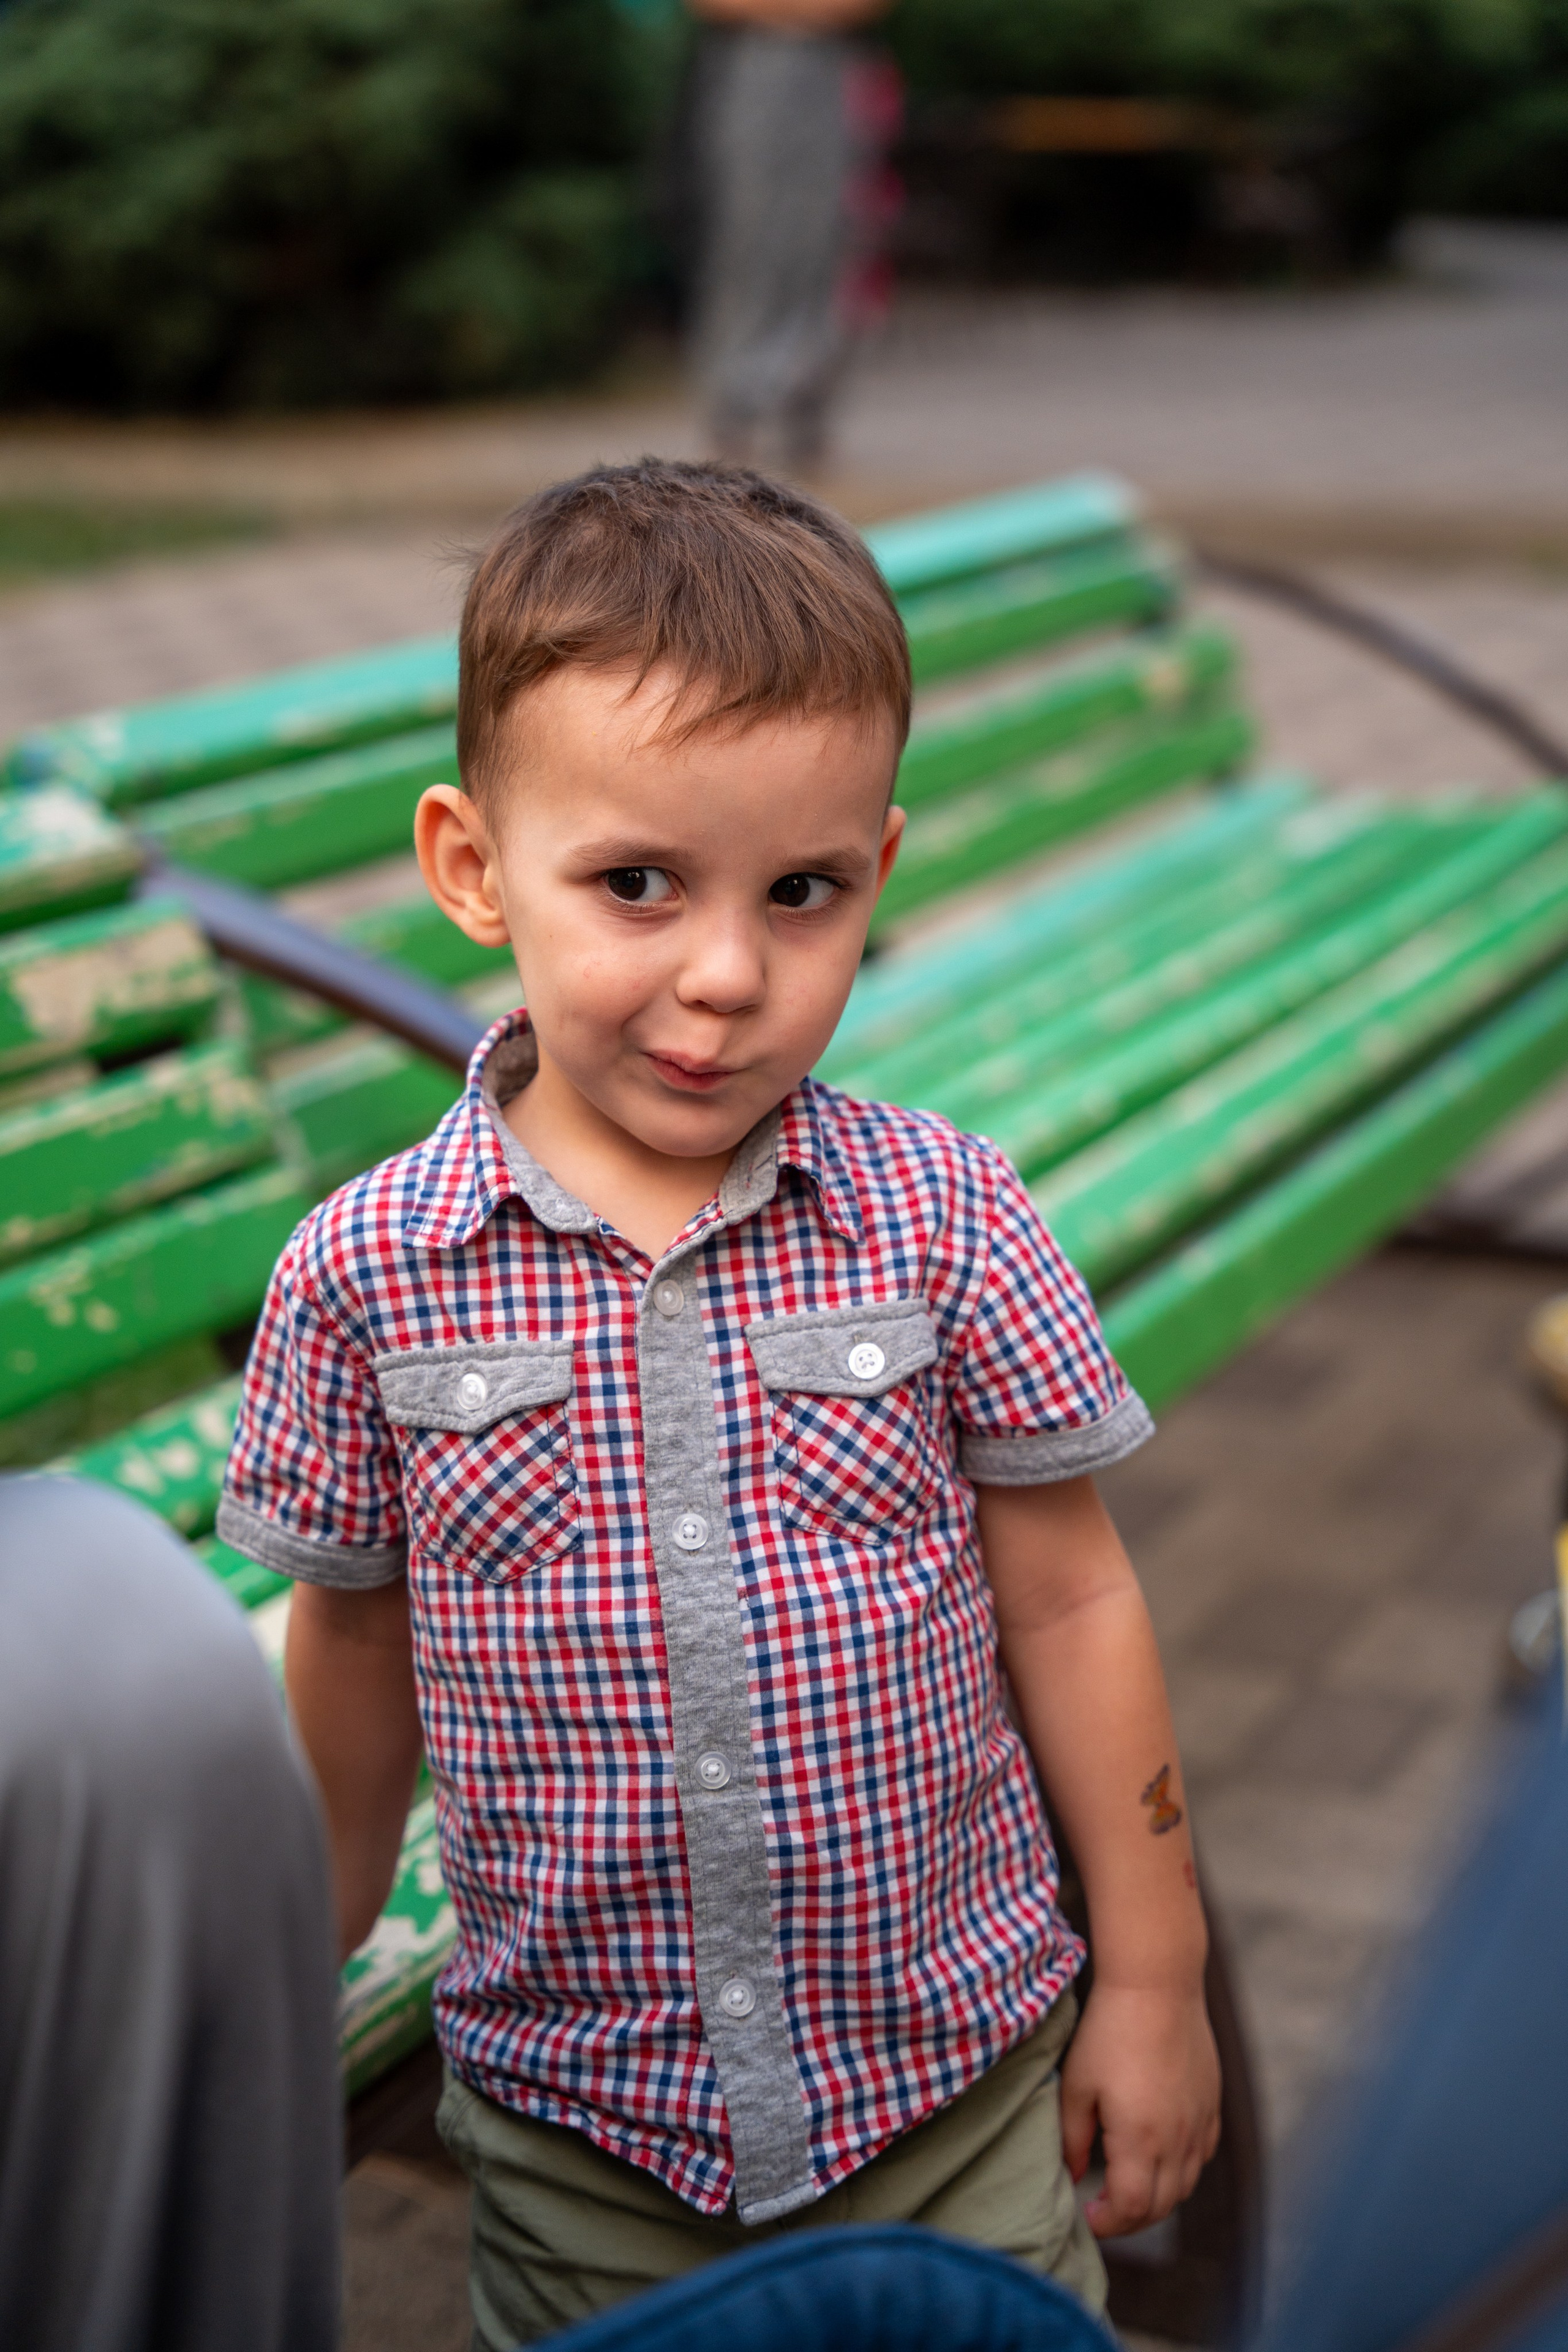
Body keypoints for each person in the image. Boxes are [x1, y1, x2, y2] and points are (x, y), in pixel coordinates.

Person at [217, 456, 1220, 2349]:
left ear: (880, 874)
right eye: (637, 884)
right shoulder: (365, 1270)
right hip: (589, 2131)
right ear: (470, 866)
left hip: (957, 2081)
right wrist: (297, 1963)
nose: (728, 974)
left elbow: (1073, 1597)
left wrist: (1152, 1974)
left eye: (803, 890)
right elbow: (352, 1645)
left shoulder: (940, 1213)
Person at [685, 0, 898, 468]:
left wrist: (796, 15)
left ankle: (808, 412)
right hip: (754, 70)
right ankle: (734, 412)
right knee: (748, 246)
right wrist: (799, 15)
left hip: (833, 77)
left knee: (827, 247)